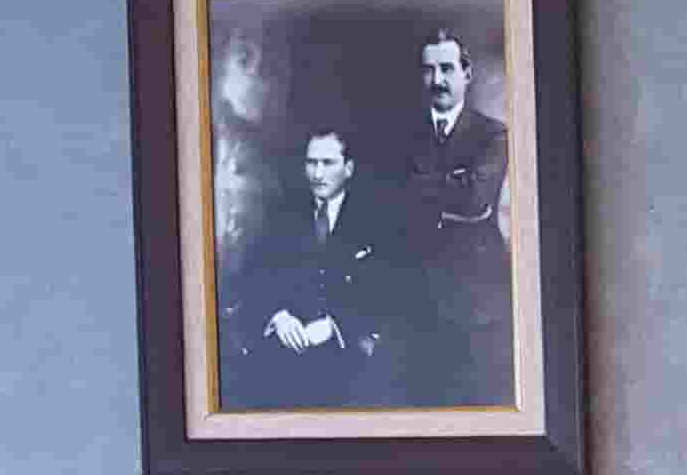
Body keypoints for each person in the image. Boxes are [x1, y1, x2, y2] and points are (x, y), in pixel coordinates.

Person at [219, 123, 405, 405]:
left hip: (350, 355)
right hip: (286, 351)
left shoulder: (376, 218)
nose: (317, 174)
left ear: (349, 168)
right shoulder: (282, 213)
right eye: (311, 163)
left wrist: (334, 325)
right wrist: (279, 317)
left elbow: (390, 291)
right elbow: (255, 275)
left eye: (328, 163)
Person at [399, 27, 516, 402]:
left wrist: (418, 184)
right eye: (429, 70)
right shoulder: (401, 134)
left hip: (475, 305)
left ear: (467, 74)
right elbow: (388, 201)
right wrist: (452, 180)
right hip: (416, 305)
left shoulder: (494, 135)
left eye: (447, 69)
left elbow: (474, 200)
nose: (438, 80)